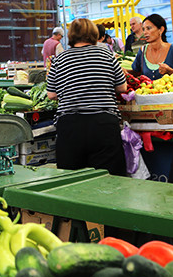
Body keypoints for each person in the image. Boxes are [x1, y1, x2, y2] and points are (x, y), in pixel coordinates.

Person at [46, 19, 127, 176]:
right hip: (103, 125)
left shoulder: (59, 59)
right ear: (94, 34)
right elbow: (122, 87)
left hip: (70, 128)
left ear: (71, 36)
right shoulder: (107, 55)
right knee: (110, 181)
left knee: (72, 182)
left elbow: (51, 94)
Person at [130, 14, 173, 80]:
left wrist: (171, 72)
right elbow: (136, 72)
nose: (145, 32)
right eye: (143, 29)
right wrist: (122, 71)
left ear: (161, 30)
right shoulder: (142, 50)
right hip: (147, 90)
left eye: (148, 28)